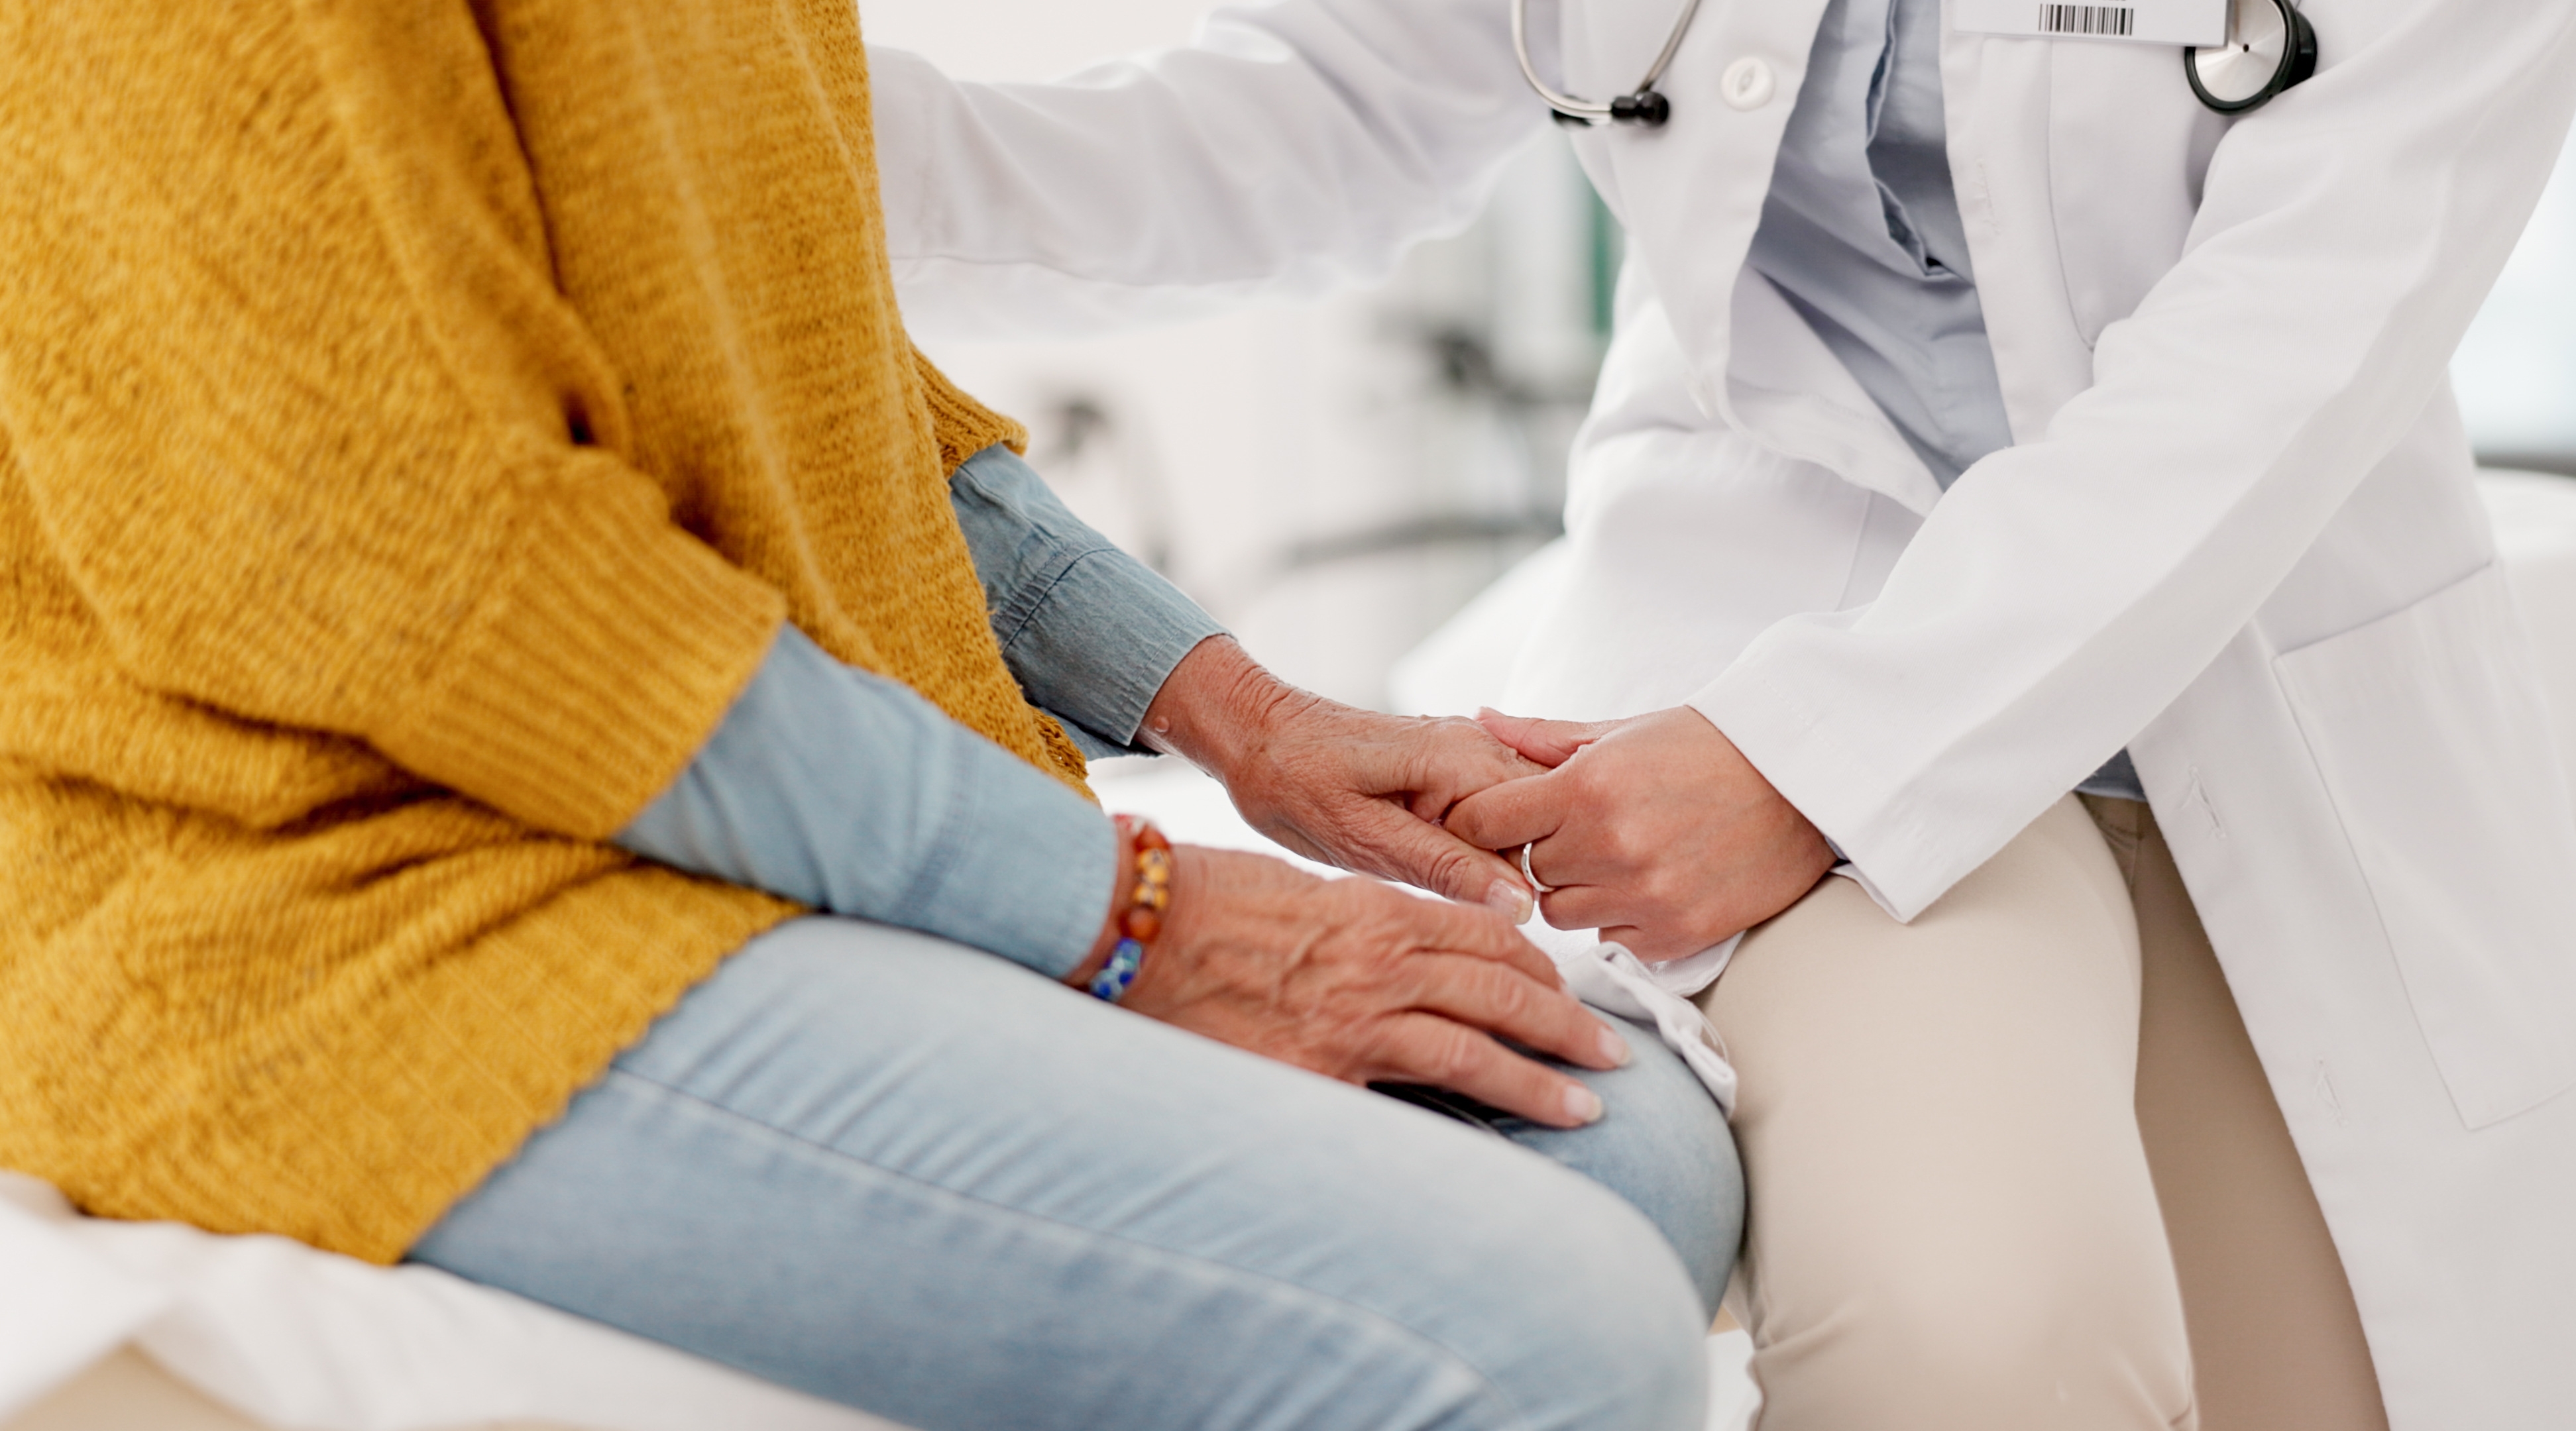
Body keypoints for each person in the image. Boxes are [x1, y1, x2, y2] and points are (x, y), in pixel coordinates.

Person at [866, 0, 2576, 1425]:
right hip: (1776, 638)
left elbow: (2291, 347)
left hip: (2227, 650)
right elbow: (1327, 106)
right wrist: (775, 126)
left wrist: (1814, 759)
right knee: (1979, 1338)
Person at [0, 5, 1743, 1430]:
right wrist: (1140, 916)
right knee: (1534, 1337)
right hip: (314, 894)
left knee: (1617, 1150)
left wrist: (1242, 718)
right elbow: (435, 583)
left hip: (660, 823)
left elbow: (789, 372)